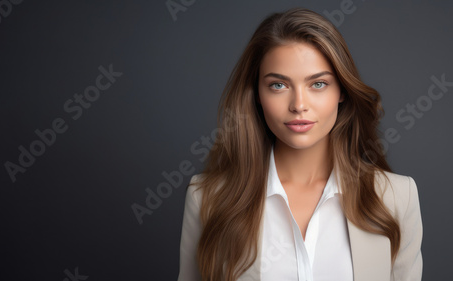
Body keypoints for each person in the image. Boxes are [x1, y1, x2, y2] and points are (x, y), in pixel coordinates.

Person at [177, 7, 422, 281]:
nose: (299, 106)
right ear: (256, 93)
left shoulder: (397, 198)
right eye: (278, 86)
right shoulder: (207, 198)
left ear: (341, 90)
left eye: (318, 84)